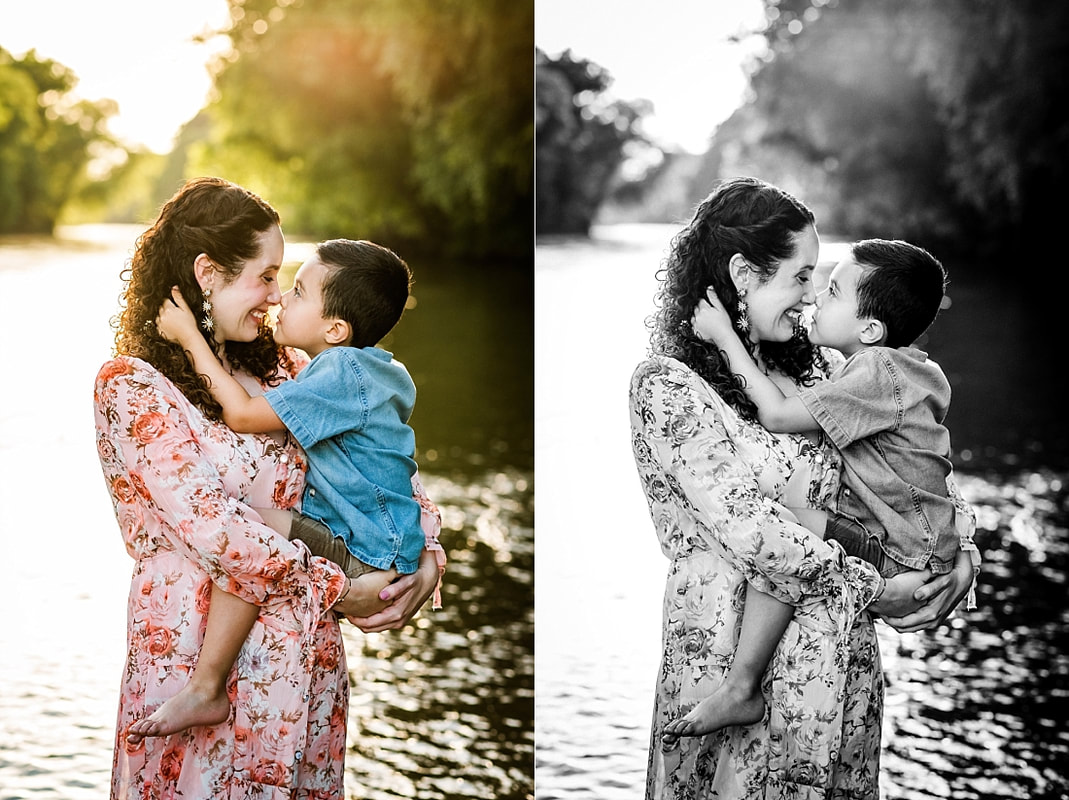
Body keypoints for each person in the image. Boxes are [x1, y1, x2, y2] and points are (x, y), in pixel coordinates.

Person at [629, 177, 979, 798]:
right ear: (743, 273)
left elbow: (909, 470)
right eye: (801, 276)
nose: (812, 296)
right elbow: (757, 533)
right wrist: (881, 590)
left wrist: (963, 551)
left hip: (837, 682)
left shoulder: (827, 369)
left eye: (824, 281)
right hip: (723, 664)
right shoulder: (667, 387)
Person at [94, 177, 444, 798]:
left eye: (289, 281)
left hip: (303, 674)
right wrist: (343, 590)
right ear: (208, 273)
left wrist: (428, 553)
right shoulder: (132, 388)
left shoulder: (291, 368)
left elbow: (383, 468)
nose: (277, 296)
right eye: (267, 275)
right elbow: (219, 530)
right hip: (191, 662)